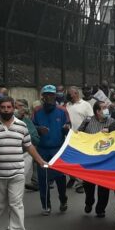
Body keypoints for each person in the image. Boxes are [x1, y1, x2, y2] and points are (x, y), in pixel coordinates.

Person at [0, 96, 47, 230]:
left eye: (9, 107)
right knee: (0, 205)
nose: (6, 110)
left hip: (17, 172)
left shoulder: (21, 126)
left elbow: (28, 145)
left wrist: (40, 161)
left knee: (16, 203)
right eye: (3, 107)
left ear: (13, 108)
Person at [32, 85, 70, 216]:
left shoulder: (62, 110)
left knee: (60, 177)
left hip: (57, 149)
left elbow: (69, 127)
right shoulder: (37, 111)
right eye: (46, 95)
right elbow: (32, 127)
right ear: (42, 96)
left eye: (52, 95)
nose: (49, 97)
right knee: (43, 178)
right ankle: (46, 205)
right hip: (42, 150)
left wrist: (66, 128)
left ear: (55, 96)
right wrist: (38, 130)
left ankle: (63, 199)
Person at [78, 101, 115, 219]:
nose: (106, 110)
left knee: (104, 187)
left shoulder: (112, 122)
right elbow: (79, 136)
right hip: (90, 159)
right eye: (103, 108)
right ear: (97, 111)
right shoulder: (88, 121)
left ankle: (100, 209)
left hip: (105, 160)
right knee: (88, 186)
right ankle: (89, 202)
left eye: (107, 108)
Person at [66, 86, 94, 193]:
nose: (68, 95)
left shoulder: (85, 105)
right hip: (69, 136)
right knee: (70, 160)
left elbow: (90, 119)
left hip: (81, 136)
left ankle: (81, 182)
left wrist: (84, 131)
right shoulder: (67, 105)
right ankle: (73, 178)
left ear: (76, 93)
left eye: (70, 93)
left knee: (79, 160)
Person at [14, 99, 40, 191]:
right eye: (15, 106)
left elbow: (36, 139)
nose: (17, 109)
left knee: (18, 181)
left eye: (20, 106)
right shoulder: (7, 120)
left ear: (25, 109)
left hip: (25, 154)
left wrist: (25, 134)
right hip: (9, 156)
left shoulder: (28, 122)